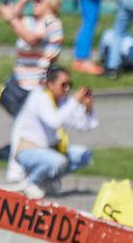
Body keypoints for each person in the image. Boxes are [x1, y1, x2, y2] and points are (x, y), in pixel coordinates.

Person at [8, 65, 97, 200]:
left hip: (49, 151)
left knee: (84, 155)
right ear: (50, 84)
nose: (67, 89)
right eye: (63, 85)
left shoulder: (63, 102)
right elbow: (55, 121)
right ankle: (31, 183)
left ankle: (47, 181)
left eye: (69, 85)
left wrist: (88, 108)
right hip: (28, 151)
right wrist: (74, 101)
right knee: (59, 161)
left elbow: (83, 126)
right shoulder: (39, 97)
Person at [3, 0, 64, 98]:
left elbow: (32, 39)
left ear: (51, 4)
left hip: (39, 84)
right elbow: (15, 14)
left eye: (39, 1)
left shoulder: (53, 23)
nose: (34, 3)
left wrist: (11, 19)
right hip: (20, 81)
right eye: (33, 1)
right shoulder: (29, 21)